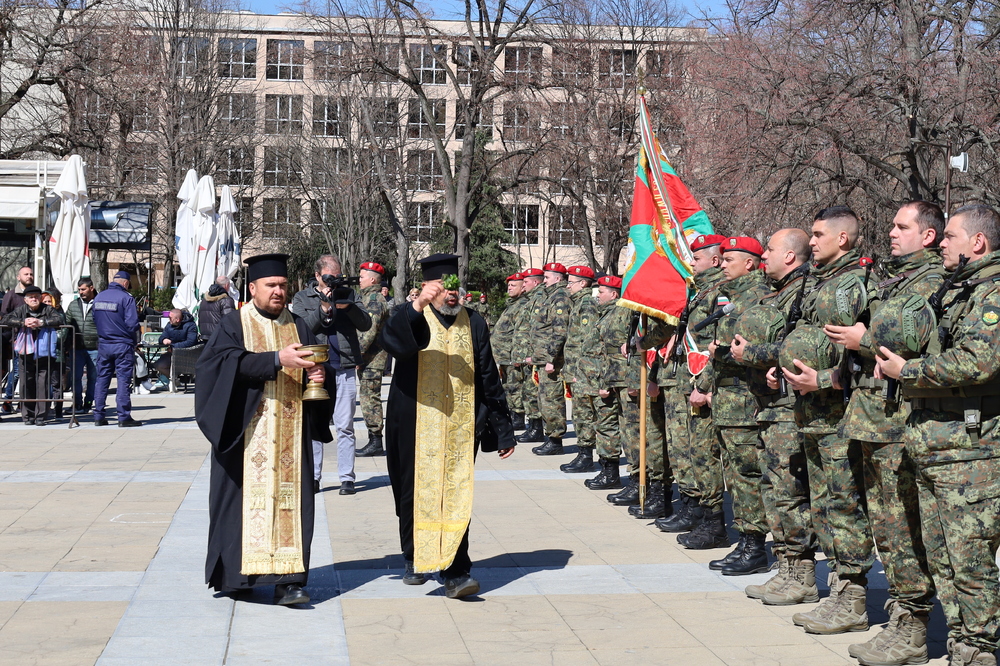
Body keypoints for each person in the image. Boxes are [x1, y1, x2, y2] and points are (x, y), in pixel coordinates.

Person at [817, 201, 947, 664]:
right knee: (887, 528)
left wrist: (863, 340)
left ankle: (912, 627)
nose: (891, 233)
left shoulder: (932, 281)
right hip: (871, 420)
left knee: (902, 528)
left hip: (896, 425)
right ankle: (900, 618)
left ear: (927, 236)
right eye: (891, 224)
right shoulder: (900, 280)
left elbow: (910, 342)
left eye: (901, 226)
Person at [877, 203, 1000, 666]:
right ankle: (963, 645)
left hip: (972, 453)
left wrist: (907, 369)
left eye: (949, 236)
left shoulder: (993, 293)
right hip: (935, 446)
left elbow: (979, 361)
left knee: (970, 561)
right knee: (944, 558)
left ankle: (980, 650)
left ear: (978, 243)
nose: (942, 242)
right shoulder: (960, 289)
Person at [195, 253, 329, 606]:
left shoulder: (300, 326)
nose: (278, 292)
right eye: (271, 285)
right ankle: (240, 577)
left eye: (283, 286)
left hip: (289, 433)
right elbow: (219, 365)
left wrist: (316, 377)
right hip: (244, 432)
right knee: (240, 504)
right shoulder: (234, 324)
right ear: (252, 288)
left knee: (292, 503)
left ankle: (291, 581)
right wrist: (274, 360)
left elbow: (314, 367)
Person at [379, 253, 515, 598]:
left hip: (460, 425)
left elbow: (487, 373)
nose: (450, 294)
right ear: (427, 288)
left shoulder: (474, 321)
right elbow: (394, 343)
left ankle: (456, 570)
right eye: (442, 288)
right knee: (412, 491)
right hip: (412, 421)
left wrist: (502, 427)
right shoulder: (410, 315)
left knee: (455, 492)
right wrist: (417, 306)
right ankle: (414, 556)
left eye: (455, 287)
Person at [782, 207, 875, 634]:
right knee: (823, 505)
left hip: (839, 415)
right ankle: (839, 590)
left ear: (843, 238)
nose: (812, 241)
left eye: (819, 235)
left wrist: (819, 378)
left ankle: (853, 598)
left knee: (843, 505)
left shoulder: (857, 282)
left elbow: (864, 357)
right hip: (812, 414)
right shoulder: (820, 281)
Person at [729, 229, 818, 603]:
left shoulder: (804, 292)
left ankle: (803, 575)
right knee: (773, 489)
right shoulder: (778, 292)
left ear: (790, 256)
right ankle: (786, 568)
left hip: (788, 409)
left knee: (789, 491)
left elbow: (798, 345)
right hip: (768, 406)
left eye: (769, 249)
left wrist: (751, 354)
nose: (764, 255)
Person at [697, 237, 773, 574]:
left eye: (731, 259)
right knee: (737, 474)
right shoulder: (733, 297)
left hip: (744, 399)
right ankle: (747, 540)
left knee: (747, 474)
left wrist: (721, 353)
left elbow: (752, 348)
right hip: (727, 399)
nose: (723, 264)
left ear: (751, 263)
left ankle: (755, 546)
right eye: (722, 259)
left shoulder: (757, 298)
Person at [291, 255, 371, 495]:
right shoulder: (303, 297)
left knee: (345, 425)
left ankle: (347, 478)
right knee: (316, 424)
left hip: (344, 366)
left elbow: (366, 324)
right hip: (316, 368)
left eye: (336, 277)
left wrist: (348, 306)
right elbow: (301, 327)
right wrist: (324, 306)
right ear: (317, 276)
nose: (332, 282)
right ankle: (314, 477)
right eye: (328, 278)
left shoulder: (348, 294)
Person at [0, 285, 63, 424]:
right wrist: (23, 322)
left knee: (43, 385)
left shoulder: (47, 309)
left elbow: (59, 320)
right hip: (25, 353)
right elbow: (5, 320)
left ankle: (41, 416)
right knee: (26, 384)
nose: (34, 299)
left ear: (40, 298)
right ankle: (27, 416)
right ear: (26, 300)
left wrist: (41, 322)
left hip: (44, 353)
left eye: (36, 297)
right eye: (31, 297)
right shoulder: (21, 310)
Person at [560, 267, 599, 473]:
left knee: (584, 414)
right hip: (577, 369)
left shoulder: (586, 305)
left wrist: (580, 370)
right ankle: (583, 453)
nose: (568, 286)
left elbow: (587, 340)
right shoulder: (578, 304)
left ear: (583, 283)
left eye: (571, 282)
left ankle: (586, 456)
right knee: (579, 413)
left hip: (584, 371)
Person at [92, 271, 143, 427]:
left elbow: (94, 319)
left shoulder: (98, 297)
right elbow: (132, 323)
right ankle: (123, 416)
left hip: (104, 344)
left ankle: (99, 416)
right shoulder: (126, 298)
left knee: (102, 380)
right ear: (126, 283)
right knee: (123, 380)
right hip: (122, 344)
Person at [355, 261, 390, 457]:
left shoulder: (375, 300)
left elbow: (369, 331)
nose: (359, 280)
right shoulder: (369, 298)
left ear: (372, 279)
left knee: (370, 399)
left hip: (373, 358)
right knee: (368, 397)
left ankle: (376, 441)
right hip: (369, 358)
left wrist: (356, 354)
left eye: (362, 277)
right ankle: (373, 439)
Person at [512, 268, 545, 442]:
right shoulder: (530, 299)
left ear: (536, 282)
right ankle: (533, 426)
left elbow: (537, 330)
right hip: (526, 355)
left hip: (532, 356)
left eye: (526, 282)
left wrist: (533, 354)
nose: (523, 285)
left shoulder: (539, 299)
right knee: (528, 392)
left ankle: (537, 428)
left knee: (533, 393)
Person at [491, 273, 526, 429]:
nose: (509, 288)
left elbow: (521, 332)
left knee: (515, 387)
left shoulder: (522, 304)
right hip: (504, 355)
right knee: (507, 386)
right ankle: (512, 413)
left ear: (523, 287)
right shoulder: (513, 304)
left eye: (513, 285)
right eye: (509, 285)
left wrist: (517, 354)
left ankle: (518, 416)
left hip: (513, 354)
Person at [1, 266, 34, 413]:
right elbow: (4, 318)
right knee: (16, 372)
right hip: (16, 340)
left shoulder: (35, 293)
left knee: (29, 373)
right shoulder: (12, 295)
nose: (29, 276)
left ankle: (24, 402)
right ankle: (8, 400)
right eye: (26, 274)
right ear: (18, 277)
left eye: (31, 274)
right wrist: (11, 339)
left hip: (33, 341)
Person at [65, 278, 99, 412]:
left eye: (83, 289)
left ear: (91, 288)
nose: (81, 292)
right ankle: (77, 403)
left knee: (93, 377)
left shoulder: (99, 303)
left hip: (95, 347)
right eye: (79, 290)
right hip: (77, 346)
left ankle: (89, 402)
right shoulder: (73, 305)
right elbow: (66, 323)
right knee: (75, 377)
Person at [153, 309, 199, 378]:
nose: (169, 319)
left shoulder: (190, 325)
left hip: (186, 355)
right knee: (159, 365)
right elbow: (162, 337)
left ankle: (174, 381)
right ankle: (175, 380)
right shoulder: (169, 325)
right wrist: (163, 340)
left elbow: (191, 342)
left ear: (177, 319)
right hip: (171, 354)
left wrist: (173, 347)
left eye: (170, 317)